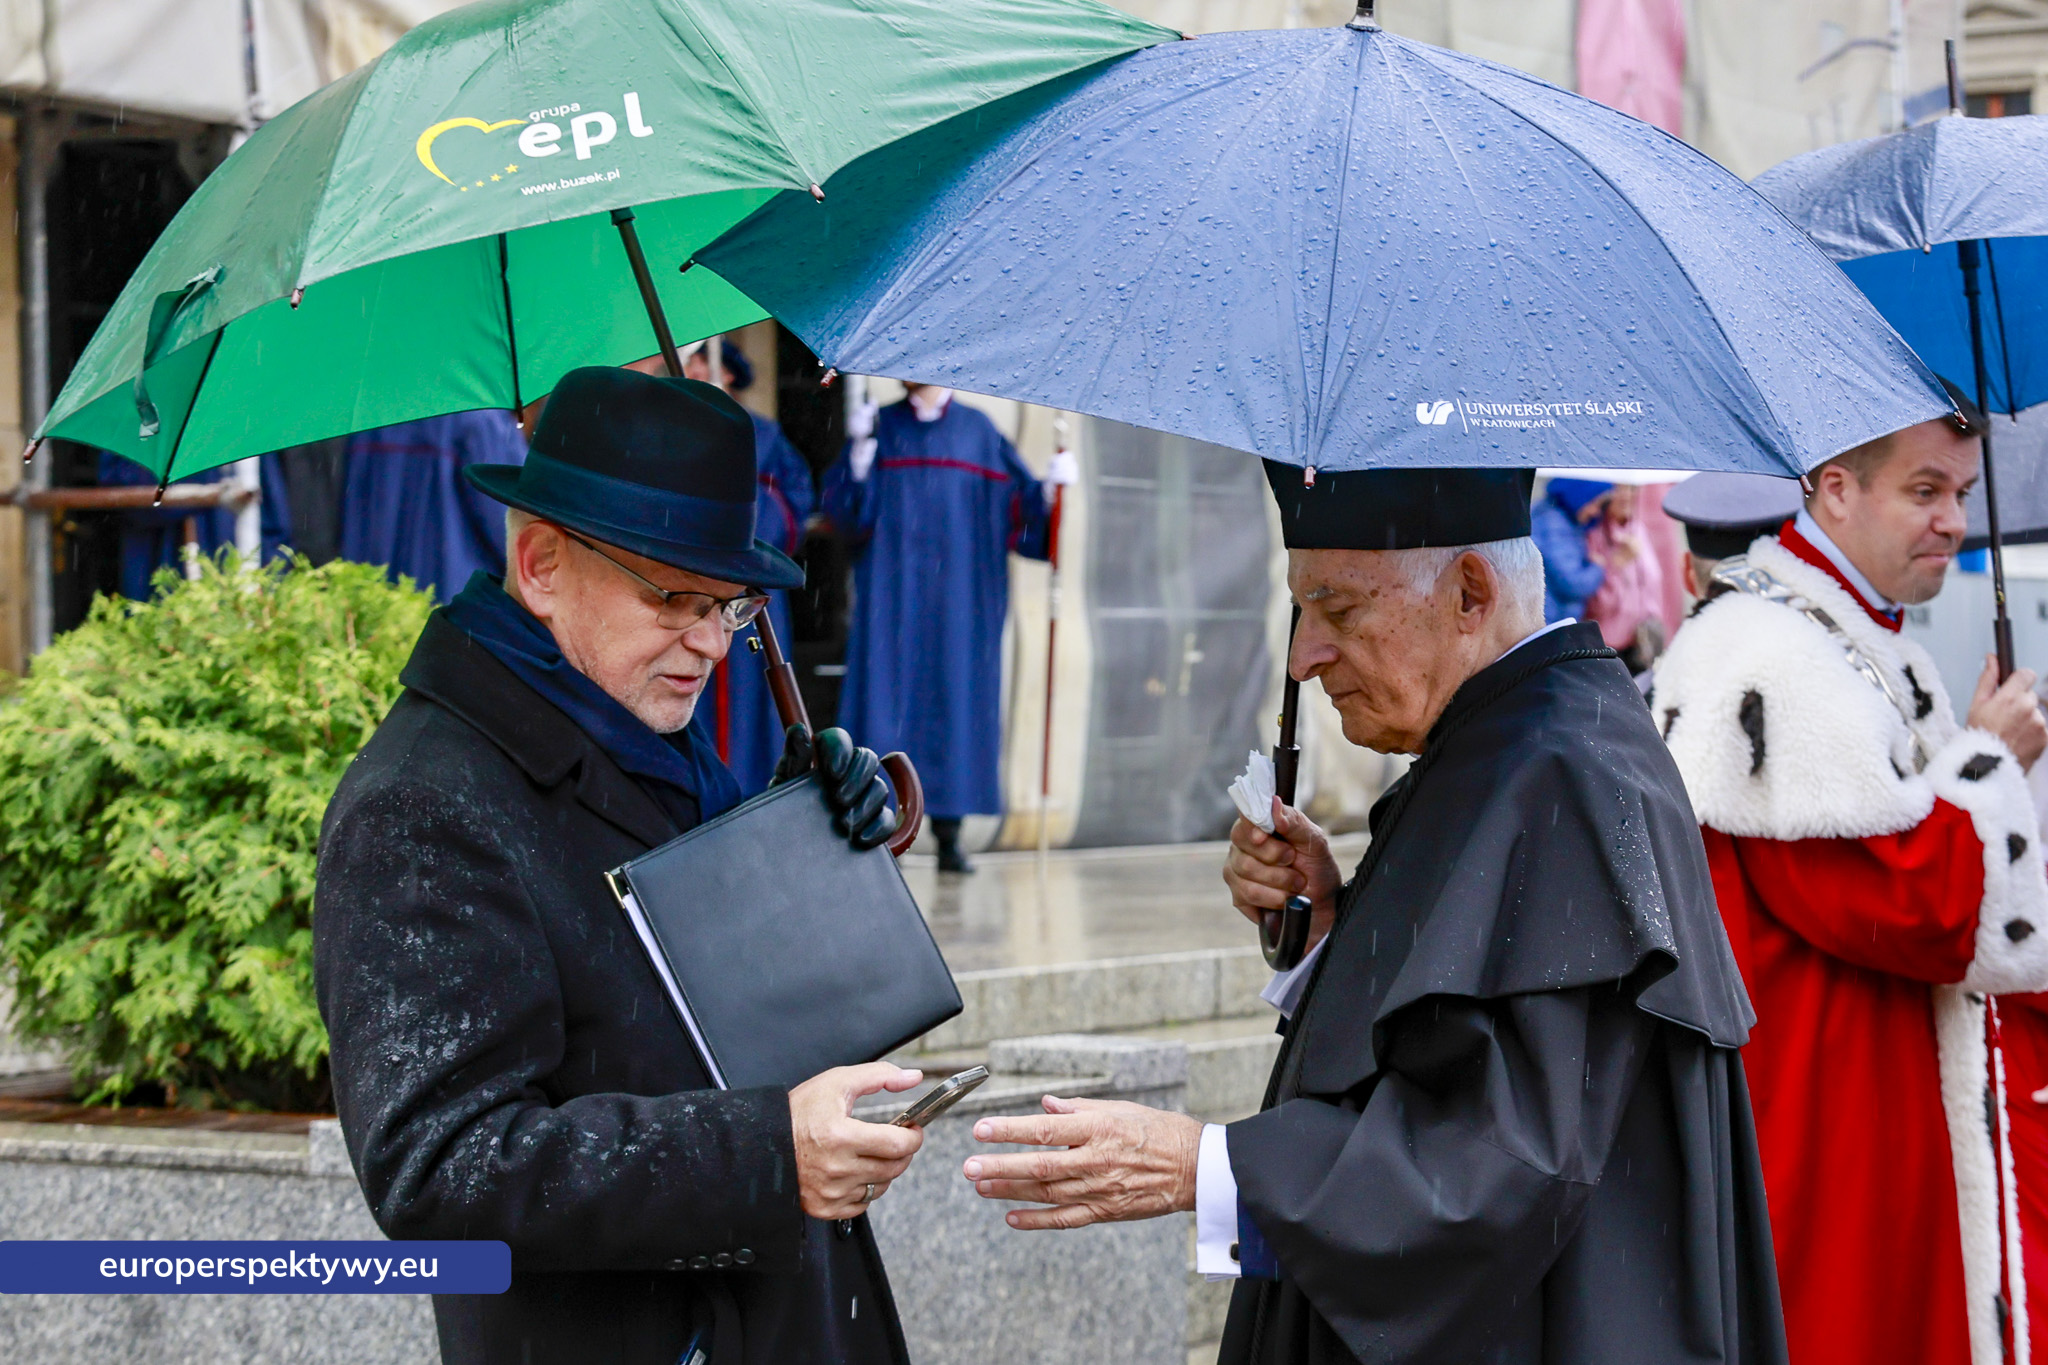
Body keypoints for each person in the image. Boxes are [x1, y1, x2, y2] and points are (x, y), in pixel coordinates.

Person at [959, 464, 1785, 1364]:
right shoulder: (1502, 739)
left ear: (1469, 592)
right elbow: (1455, 1028)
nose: (1301, 655)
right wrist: (1329, 928)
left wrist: (1201, 1164)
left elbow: (1497, 1167)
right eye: (1300, 610)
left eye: (1339, 610)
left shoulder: (1566, 774)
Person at [314, 368, 927, 1365]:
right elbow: (442, 1170)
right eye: (674, 596)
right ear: (543, 563)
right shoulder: (421, 807)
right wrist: (767, 1157)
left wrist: (804, 832)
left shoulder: (639, 724)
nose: (707, 643)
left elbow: (706, 1013)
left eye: (728, 607)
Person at [1651, 388, 2048, 1365]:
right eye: (1923, 491)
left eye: (1957, 490)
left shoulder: (1841, 640)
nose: (1952, 521)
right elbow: (1913, 903)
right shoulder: (1769, 657)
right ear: (1833, 489)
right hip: (1819, 1133)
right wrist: (1987, 760)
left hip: (1862, 1123)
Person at [823, 384, 1070, 872]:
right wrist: (857, 459)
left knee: (957, 703)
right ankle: (879, 825)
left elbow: (1023, 519)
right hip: (892, 596)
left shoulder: (980, 433)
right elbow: (846, 516)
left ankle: (950, 834)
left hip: (964, 597)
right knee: (886, 702)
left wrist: (1049, 491)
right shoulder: (881, 429)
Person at [684, 340, 817, 793]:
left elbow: (792, 506)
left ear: (727, 374)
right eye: (692, 361)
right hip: (690, 591)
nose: (697, 368)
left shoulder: (763, 436)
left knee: (751, 702)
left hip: (749, 597)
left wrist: (741, 521)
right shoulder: (676, 433)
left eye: (705, 360)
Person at [339, 408, 529, 602]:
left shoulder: (367, 418)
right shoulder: (481, 417)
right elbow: (520, 530)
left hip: (376, 603)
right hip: (457, 607)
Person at [96, 450, 292, 598]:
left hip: (242, 564)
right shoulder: (145, 406)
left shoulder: (248, 414)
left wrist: (273, 574)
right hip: (169, 556)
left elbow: (275, 516)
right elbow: (121, 485)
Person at [1581, 481, 1667, 671]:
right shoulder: (1592, 535)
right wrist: (1616, 563)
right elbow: (1596, 605)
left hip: (1639, 645)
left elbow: (1653, 585)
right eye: (1618, 489)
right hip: (1604, 649)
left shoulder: (1637, 529)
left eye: (1631, 488)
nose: (1626, 495)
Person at [1530, 475, 1611, 622]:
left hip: (1551, 617)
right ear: (1579, 495)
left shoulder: (1563, 520)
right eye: (1594, 503)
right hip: (1549, 619)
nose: (1595, 512)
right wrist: (1597, 568)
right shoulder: (1554, 526)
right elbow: (1572, 583)